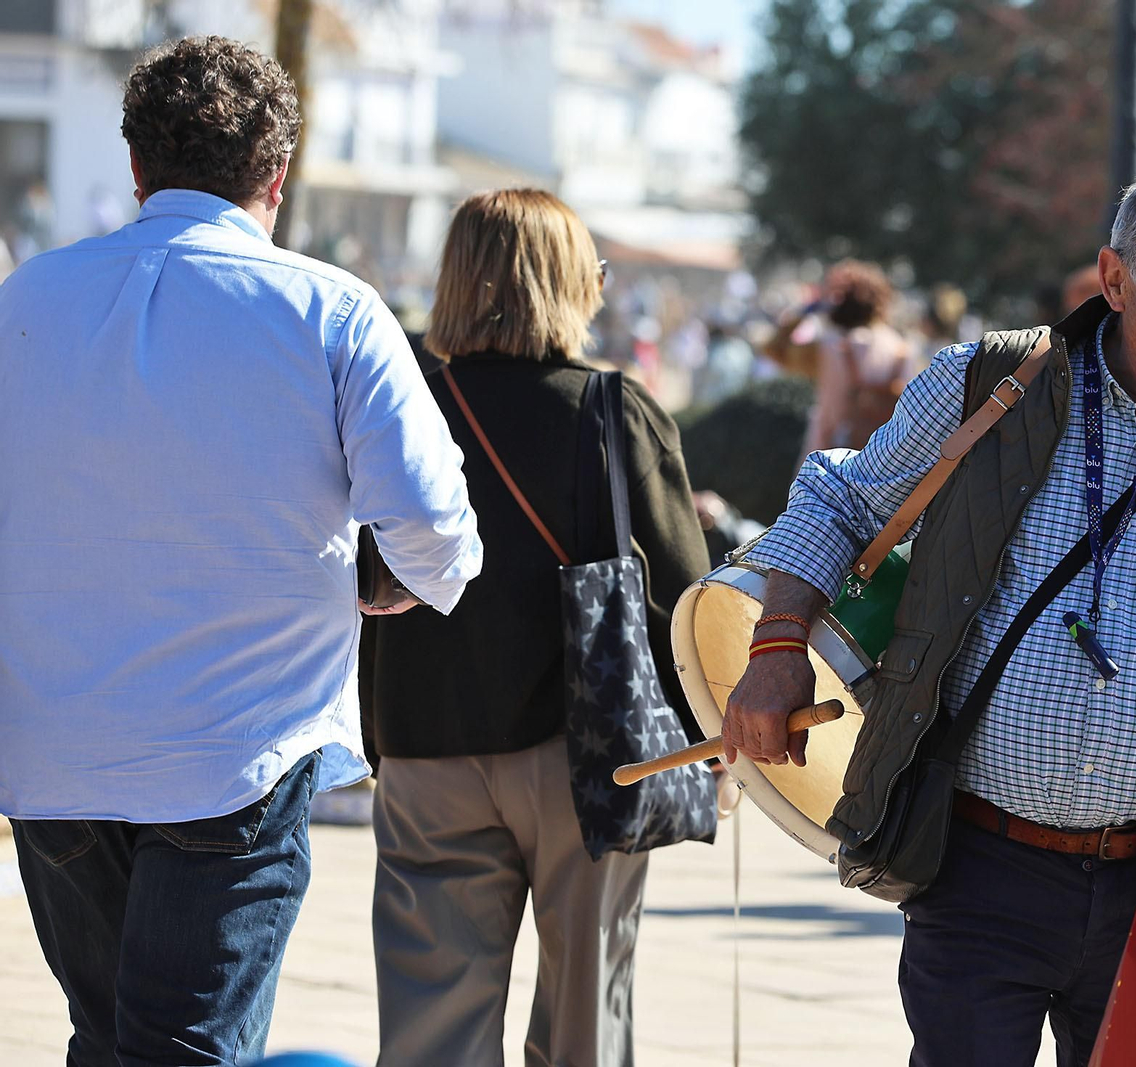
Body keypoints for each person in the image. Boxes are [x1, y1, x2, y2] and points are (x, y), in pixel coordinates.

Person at [720, 159, 1136, 1066]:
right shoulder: (989, 383)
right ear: (1115, 281)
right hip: (979, 868)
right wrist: (775, 647)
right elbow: (838, 500)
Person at [0, 35, 481, 1066]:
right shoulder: (329, 307)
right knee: (183, 1047)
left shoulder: (23, 302)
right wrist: (396, 580)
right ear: (278, 173)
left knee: (109, 1041)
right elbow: (437, 532)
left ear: (136, 169)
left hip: (53, 744)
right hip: (236, 747)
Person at [364, 188, 710, 1067]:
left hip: (422, 736)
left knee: (429, 1024)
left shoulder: (402, 405)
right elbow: (683, 599)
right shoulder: (609, 410)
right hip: (585, 753)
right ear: (570, 285)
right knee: (587, 1018)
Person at [766, 259, 916, 453]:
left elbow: (775, 350)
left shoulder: (828, 347)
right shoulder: (902, 349)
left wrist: (812, 307)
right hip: (878, 462)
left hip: (826, 459)